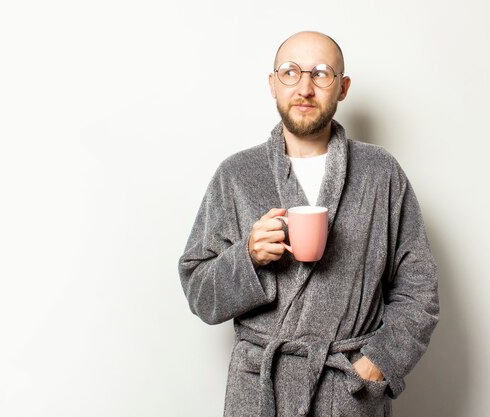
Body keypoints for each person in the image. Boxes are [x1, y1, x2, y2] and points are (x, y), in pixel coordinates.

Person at [178, 31, 439, 417]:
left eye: (321, 73)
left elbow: (419, 290)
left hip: (347, 391)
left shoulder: (380, 173)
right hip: (259, 395)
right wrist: (247, 259)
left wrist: (376, 364)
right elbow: (199, 293)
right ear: (272, 84)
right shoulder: (236, 175)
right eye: (289, 72)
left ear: (343, 87)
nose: (304, 87)